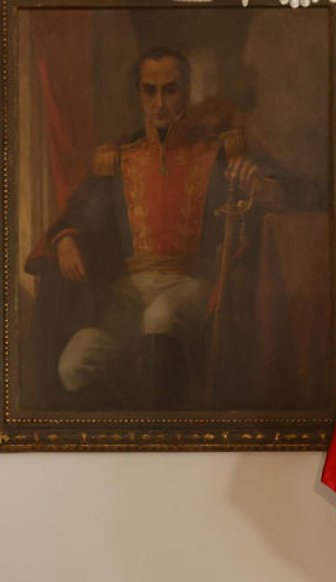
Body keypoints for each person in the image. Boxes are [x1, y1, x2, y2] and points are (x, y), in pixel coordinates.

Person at [24, 46, 287, 410]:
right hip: (126, 296)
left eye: (171, 90)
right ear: (139, 95)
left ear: (188, 90)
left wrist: (263, 187)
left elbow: (290, 190)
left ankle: (167, 430)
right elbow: (77, 214)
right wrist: (66, 238)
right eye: (150, 91)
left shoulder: (219, 153)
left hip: (193, 286)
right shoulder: (118, 158)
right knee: (75, 361)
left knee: (160, 314)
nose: (160, 103)